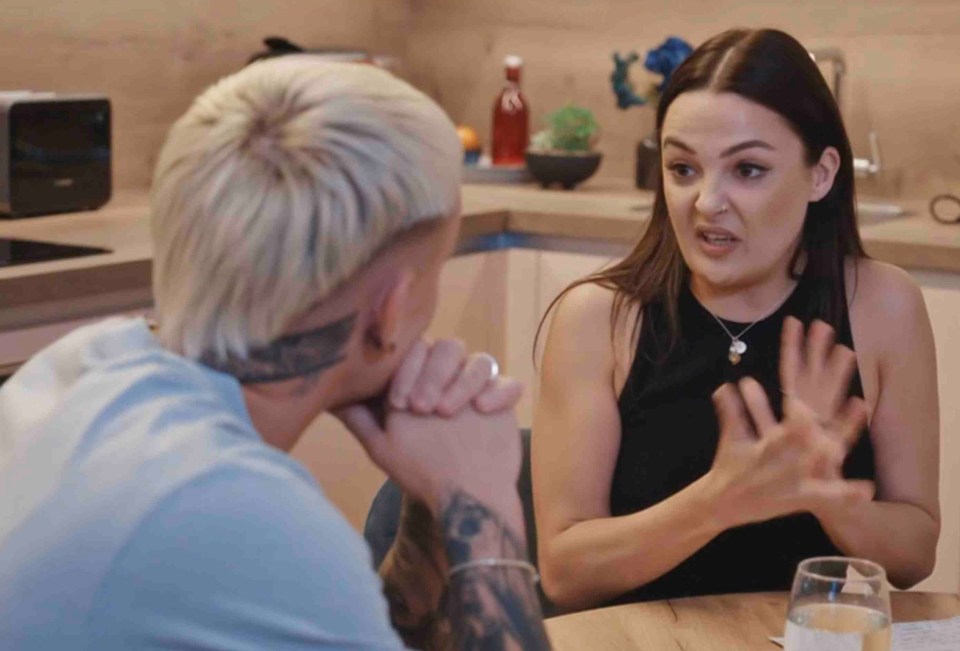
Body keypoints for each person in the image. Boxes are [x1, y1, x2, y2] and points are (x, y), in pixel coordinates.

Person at [0, 57, 552, 650]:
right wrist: (485, 511)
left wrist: (433, 512)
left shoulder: (84, 363)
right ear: (391, 310)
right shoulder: (240, 514)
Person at [534, 27, 940, 611]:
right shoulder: (599, 318)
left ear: (821, 174)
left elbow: (914, 554)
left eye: (747, 170)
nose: (706, 203)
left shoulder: (882, 305)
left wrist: (832, 498)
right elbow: (566, 572)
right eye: (683, 169)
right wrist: (720, 501)